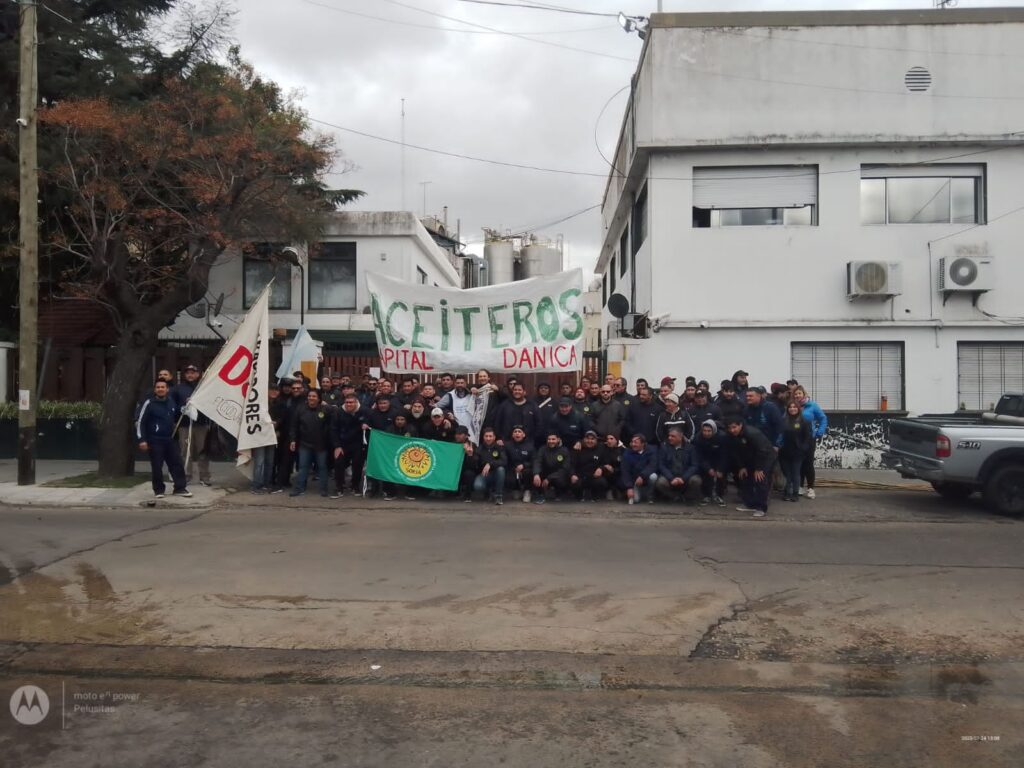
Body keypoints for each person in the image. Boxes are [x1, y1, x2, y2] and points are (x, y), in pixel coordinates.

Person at [136, 379, 191, 499]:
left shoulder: (171, 401)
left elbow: (177, 415)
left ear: (167, 389)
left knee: (176, 464)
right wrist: (142, 440)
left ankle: (180, 488)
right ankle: (159, 490)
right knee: (157, 466)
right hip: (154, 440)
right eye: (158, 387)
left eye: (163, 387)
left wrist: (185, 407)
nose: (160, 389)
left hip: (170, 440)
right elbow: (141, 422)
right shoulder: (149, 403)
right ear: (155, 389)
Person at [724, 415, 775, 518]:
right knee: (745, 478)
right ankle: (751, 504)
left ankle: (761, 508)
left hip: (765, 458)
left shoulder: (752, 433)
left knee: (760, 480)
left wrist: (759, 468)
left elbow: (762, 450)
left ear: (740, 425)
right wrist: (742, 466)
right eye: (730, 428)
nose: (732, 430)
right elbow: (736, 453)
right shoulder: (731, 436)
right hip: (749, 458)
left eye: (734, 427)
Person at [171, 363, 212, 486]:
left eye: (193, 372)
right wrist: (183, 407)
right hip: (184, 425)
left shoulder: (204, 387)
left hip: (201, 424)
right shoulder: (178, 389)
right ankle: (185, 476)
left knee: (203, 451)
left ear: (198, 374)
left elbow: (210, 404)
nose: (190, 375)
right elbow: (173, 405)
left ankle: (204, 477)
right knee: (185, 451)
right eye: (188, 373)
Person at [289, 389, 333, 497]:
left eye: (314, 396)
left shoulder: (325, 409)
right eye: (309, 396)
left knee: (322, 467)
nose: (311, 398)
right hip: (305, 444)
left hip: (321, 445)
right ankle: (299, 488)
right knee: (303, 467)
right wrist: (293, 440)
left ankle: (323, 489)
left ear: (319, 399)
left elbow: (333, 421)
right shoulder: (300, 409)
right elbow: (294, 426)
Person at [793, 385, 828, 499]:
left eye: (799, 393)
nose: (797, 395)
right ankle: (800, 486)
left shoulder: (812, 405)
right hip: (796, 439)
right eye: (795, 394)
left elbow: (823, 418)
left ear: (804, 394)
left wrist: (819, 432)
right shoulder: (793, 406)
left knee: (808, 463)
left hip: (809, 439)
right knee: (799, 463)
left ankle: (811, 488)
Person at [331, 393, 369, 497]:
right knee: (339, 464)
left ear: (356, 402)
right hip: (342, 443)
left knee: (357, 465)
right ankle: (339, 487)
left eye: (351, 402)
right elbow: (333, 430)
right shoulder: (338, 412)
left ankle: (355, 486)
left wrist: (366, 425)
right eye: (347, 402)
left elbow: (369, 423)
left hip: (358, 443)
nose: (349, 404)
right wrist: (337, 446)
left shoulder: (364, 411)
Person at [655, 427, 702, 505]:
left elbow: (694, 465)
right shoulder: (664, 448)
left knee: (696, 480)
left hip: (685, 478)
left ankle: (688, 497)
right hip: (670, 478)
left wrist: (683, 478)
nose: (669, 438)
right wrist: (671, 478)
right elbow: (661, 465)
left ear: (680, 437)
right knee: (660, 482)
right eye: (669, 436)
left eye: (673, 436)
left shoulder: (691, 448)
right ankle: (674, 496)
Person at [249, 382, 280, 493]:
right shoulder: (259, 403)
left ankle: (267, 484)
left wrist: (277, 425)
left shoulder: (279, 404)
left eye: (276, 390)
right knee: (259, 461)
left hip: (272, 436)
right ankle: (256, 485)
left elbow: (281, 418)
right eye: (272, 389)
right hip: (260, 436)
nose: (274, 392)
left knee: (269, 461)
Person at [780, 399, 813, 502]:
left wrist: (803, 448)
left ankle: (795, 493)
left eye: (794, 407)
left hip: (798, 452)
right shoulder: (783, 420)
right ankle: (787, 492)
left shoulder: (804, 421)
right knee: (787, 474)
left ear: (798, 409)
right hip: (784, 451)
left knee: (795, 473)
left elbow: (807, 437)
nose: (792, 409)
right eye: (790, 407)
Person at [692, 420, 728, 507]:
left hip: (719, 459)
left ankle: (719, 495)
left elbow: (725, 455)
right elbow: (699, 456)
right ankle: (706, 495)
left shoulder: (722, 437)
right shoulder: (698, 438)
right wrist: (708, 468)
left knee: (721, 476)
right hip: (705, 459)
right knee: (706, 475)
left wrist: (720, 469)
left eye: (709, 431)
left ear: (714, 430)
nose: (706, 433)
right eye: (704, 431)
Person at [532, 432, 574, 504]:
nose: (551, 441)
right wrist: (536, 474)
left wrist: (549, 478)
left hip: (558, 475)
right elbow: (537, 461)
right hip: (545, 473)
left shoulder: (564, 450)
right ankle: (540, 495)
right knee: (534, 474)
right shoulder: (542, 449)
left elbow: (565, 468)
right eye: (549, 439)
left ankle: (559, 493)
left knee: (561, 478)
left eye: (553, 439)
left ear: (558, 440)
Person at [473, 427, 507, 505]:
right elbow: (475, 464)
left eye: (490, 436)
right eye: (486, 436)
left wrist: (490, 464)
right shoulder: (479, 448)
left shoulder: (500, 447)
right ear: (483, 437)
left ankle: (498, 496)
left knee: (501, 469)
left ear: (494, 437)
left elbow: (504, 461)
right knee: (478, 486)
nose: (488, 438)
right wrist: (471, 455)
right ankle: (488, 492)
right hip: (484, 474)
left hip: (497, 474)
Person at [621, 434, 658, 505]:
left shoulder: (651, 451)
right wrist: (629, 487)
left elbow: (652, 466)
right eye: (632, 442)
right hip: (634, 480)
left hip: (645, 477)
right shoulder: (627, 453)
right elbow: (625, 471)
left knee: (653, 476)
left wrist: (642, 476)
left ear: (643, 444)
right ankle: (636, 493)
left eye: (636, 442)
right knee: (635, 500)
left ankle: (650, 496)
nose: (633, 444)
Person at [572, 430, 608, 502]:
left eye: (592, 439)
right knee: (574, 482)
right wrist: (572, 474)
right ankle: (579, 496)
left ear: (596, 440)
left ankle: (595, 495)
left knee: (602, 482)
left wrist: (601, 468)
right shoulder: (578, 448)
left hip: (593, 477)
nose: (590, 441)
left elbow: (605, 463)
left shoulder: (601, 449)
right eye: (588, 438)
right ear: (584, 439)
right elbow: (571, 464)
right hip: (580, 477)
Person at [504, 425, 535, 502]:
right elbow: (504, 459)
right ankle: (516, 489)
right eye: (515, 432)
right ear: (512, 435)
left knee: (528, 472)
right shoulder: (507, 445)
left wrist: (524, 465)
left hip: (525, 469)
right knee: (507, 476)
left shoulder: (530, 446)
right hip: (512, 469)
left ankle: (527, 492)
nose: (517, 433)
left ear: (523, 434)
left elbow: (534, 460)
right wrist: (514, 467)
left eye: (519, 432)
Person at [454, 426, 480, 501]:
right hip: (455, 469)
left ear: (466, 435)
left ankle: (468, 495)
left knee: (469, 473)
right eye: (456, 434)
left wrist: (469, 454)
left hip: (466, 470)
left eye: (460, 434)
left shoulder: (473, 445)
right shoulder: (453, 444)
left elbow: (474, 465)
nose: (457, 436)